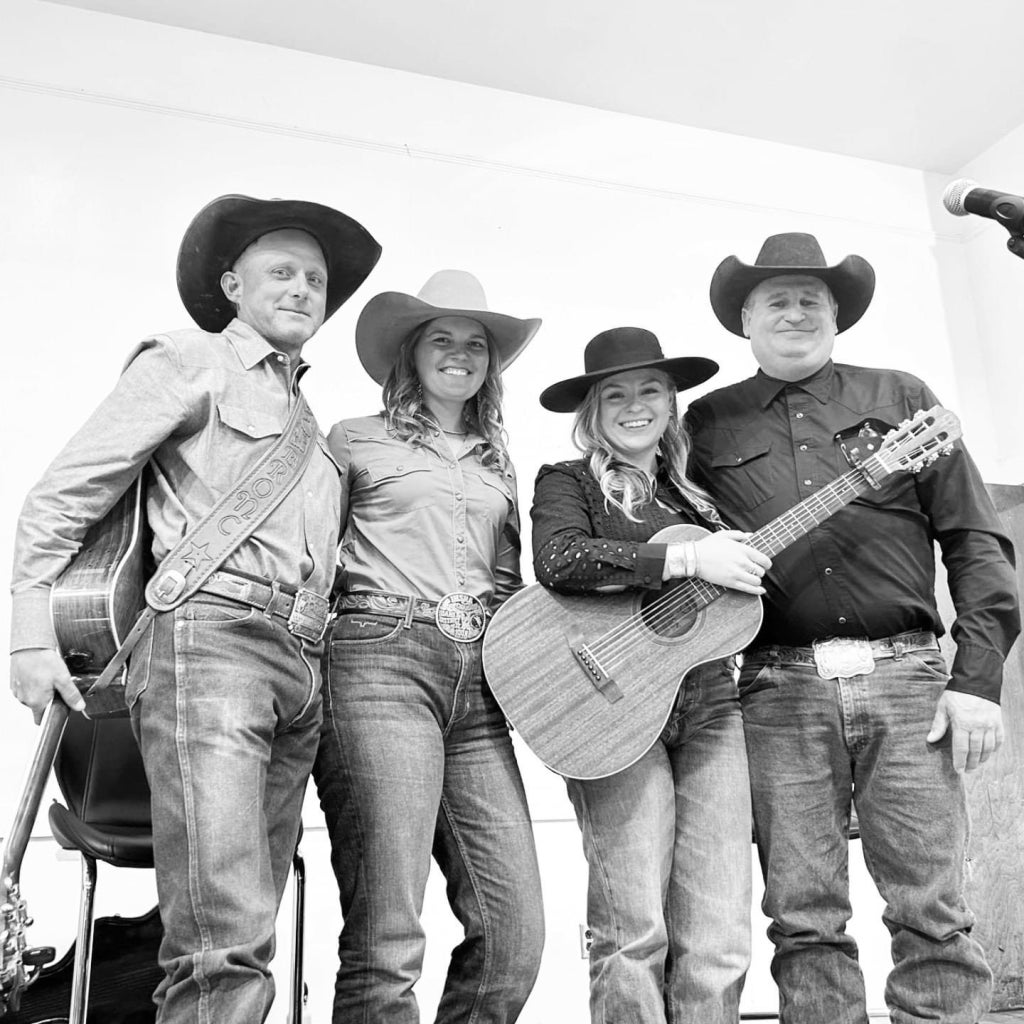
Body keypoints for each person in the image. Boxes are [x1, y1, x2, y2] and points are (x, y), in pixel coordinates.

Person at [8, 193, 381, 1023]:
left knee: (247, 935)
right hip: (211, 644)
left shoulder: (311, 428)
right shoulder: (186, 360)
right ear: (232, 285)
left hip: (302, 668)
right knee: (220, 951)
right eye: (280, 272)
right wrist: (29, 637)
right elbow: (60, 497)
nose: (302, 288)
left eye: (315, 279)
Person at [685, 232, 1020, 1024]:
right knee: (803, 917)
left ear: (836, 314)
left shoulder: (901, 395)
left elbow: (976, 542)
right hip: (774, 686)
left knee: (933, 908)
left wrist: (976, 683)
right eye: (777, 299)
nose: (795, 311)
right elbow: (682, 547)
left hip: (909, 678)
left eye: (812, 298)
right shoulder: (707, 421)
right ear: (745, 317)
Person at [313, 269, 545, 1023]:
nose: (460, 353)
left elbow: (509, 579)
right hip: (379, 659)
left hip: (481, 681)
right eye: (441, 339)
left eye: (475, 344)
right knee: (388, 934)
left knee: (515, 935)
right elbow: (307, 554)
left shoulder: (496, 458)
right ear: (410, 354)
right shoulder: (353, 439)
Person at [530, 326, 773, 1024]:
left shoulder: (701, 501)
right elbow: (559, 559)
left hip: (710, 702)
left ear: (671, 406)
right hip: (611, 703)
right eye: (616, 394)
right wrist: (688, 562)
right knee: (633, 927)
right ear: (593, 411)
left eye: (650, 392)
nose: (635, 405)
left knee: (721, 931)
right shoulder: (568, 480)